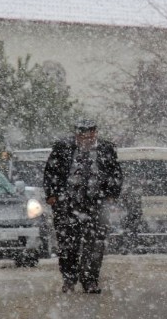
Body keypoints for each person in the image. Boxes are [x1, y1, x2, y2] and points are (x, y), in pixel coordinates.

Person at [43, 119, 123, 293]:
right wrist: (52, 195)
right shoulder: (62, 148)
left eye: (89, 134)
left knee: (95, 244)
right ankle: (69, 279)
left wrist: (111, 195)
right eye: (81, 135)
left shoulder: (106, 149)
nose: (85, 139)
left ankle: (90, 280)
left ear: (95, 133)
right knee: (67, 244)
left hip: (97, 204)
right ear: (76, 134)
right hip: (67, 204)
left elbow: (115, 173)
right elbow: (51, 171)